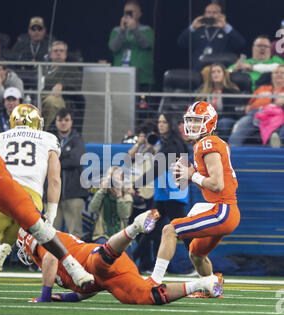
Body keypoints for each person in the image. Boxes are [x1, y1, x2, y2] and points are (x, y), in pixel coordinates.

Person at [0, 104, 93, 288]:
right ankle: (78, 272)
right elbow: (54, 180)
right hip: (29, 198)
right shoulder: (48, 138)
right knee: (43, 238)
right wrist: (50, 216)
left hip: (2, 191)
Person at [10, 209, 223, 304]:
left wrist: (46, 296)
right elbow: (86, 288)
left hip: (99, 259)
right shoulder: (44, 251)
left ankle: (134, 228)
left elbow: (50, 258)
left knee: (97, 263)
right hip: (108, 276)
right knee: (144, 297)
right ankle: (203, 283)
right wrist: (67, 297)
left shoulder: (39, 244)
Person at [148, 101, 240, 299]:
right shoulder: (207, 144)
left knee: (169, 229)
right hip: (222, 209)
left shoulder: (208, 144)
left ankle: (153, 281)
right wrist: (191, 175)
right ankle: (211, 286)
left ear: (209, 122)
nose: (192, 125)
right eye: (190, 120)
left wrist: (192, 175)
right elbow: (210, 184)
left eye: (197, 121)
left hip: (222, 210)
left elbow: (216, 184)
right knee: (196, 253)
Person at [131, 110, 190, 272]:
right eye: (159, 122)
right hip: (165, 195)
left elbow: (157, 169)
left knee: (182, 230)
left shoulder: (173, 144)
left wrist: (137, 184)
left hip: (172, 195)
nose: (160, 125)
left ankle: (196, 261)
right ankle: (131, 261)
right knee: (151, 229)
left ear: (170, 124)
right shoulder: (167, 143)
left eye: (164, 122)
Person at [52, 108, 88, 239]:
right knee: (50, 235)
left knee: (75, 235)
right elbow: (45, 160)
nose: (63, 123)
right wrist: (66, 155)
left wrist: (57, 158)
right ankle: (51, 260)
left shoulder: (78, 139)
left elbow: (77, 160)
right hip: (52, 195)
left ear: (71, 122)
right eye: (60, 120)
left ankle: (75, 260)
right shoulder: (50, 138)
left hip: (74, 194)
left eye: (66, 120)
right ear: (55, 122)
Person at [177, 3, 245, 71]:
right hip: (198, 70)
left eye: (215, 12)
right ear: (204, 14)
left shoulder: (226, 31)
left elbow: (240, 44)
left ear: (221, 15)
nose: (211, 15)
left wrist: (226, 27)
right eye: (208, 12)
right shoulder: (197, 30)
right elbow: (181, 43)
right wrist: (192, 27)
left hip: (219, 71)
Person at [228, 64, 284, 146]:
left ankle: (270, 154)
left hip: (277, 116)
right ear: (272, 76)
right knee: (242, 125)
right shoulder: (262, 88)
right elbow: (250, 103)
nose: (278, 75)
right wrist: (248, 106)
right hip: (256, 114)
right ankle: (230, 153)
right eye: (276, 73)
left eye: (282, 73)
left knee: (273, 135)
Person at [108, 0, 155, 91]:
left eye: (131, 12)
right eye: (126, 12)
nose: (128, 14)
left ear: (139, 14)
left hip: (142, 77)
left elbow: (146, 45)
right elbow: (113, 48)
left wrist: (134, 30)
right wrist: (122, 31)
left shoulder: (147, 30)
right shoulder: (116, 30)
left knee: (141, 104)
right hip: (120, 75)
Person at [41, 41, 84, 131]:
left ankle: (46, 133)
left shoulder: (71, 69)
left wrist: (63, 86)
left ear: (65, 54)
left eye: (61, 51)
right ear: (50, 54)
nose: (58, 53)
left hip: (59, 97)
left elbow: (77, 85)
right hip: (39, 96)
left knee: (51, 102)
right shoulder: (42, 67)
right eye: (55, 51)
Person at [196, 63, 242, 141]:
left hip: (226, 119)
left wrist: (213, 119)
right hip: (208, 120)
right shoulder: (204, 91)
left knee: (223, 123)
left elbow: (231, 113)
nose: (216, 74)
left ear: (224, 75)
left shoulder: (231, 91)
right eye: (213, 72)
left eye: (218, 71)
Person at [88, 166, 133, 244]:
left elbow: (124, 215)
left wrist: (119, 195)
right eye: (112, 179)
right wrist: (101, 191)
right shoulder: (102, 194)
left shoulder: (126, 196)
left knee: (124, 255)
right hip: (102, 235)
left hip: (121, 236)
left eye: (117, 179)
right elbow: (92, 209)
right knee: (103, 248)